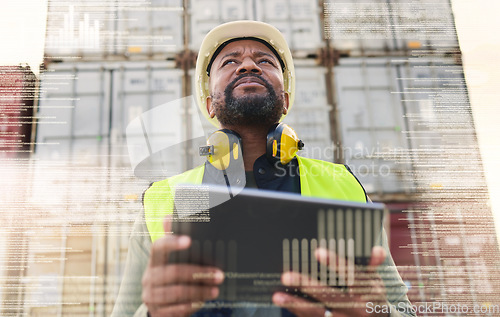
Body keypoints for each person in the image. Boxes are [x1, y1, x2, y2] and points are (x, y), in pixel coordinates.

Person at [112, 20, 415, 317]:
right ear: (210, 106)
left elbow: (403, 311)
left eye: (265, 61)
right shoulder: (165, 198)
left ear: (284, 100)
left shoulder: (342, 185)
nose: (248, 66)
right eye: (230, 61)